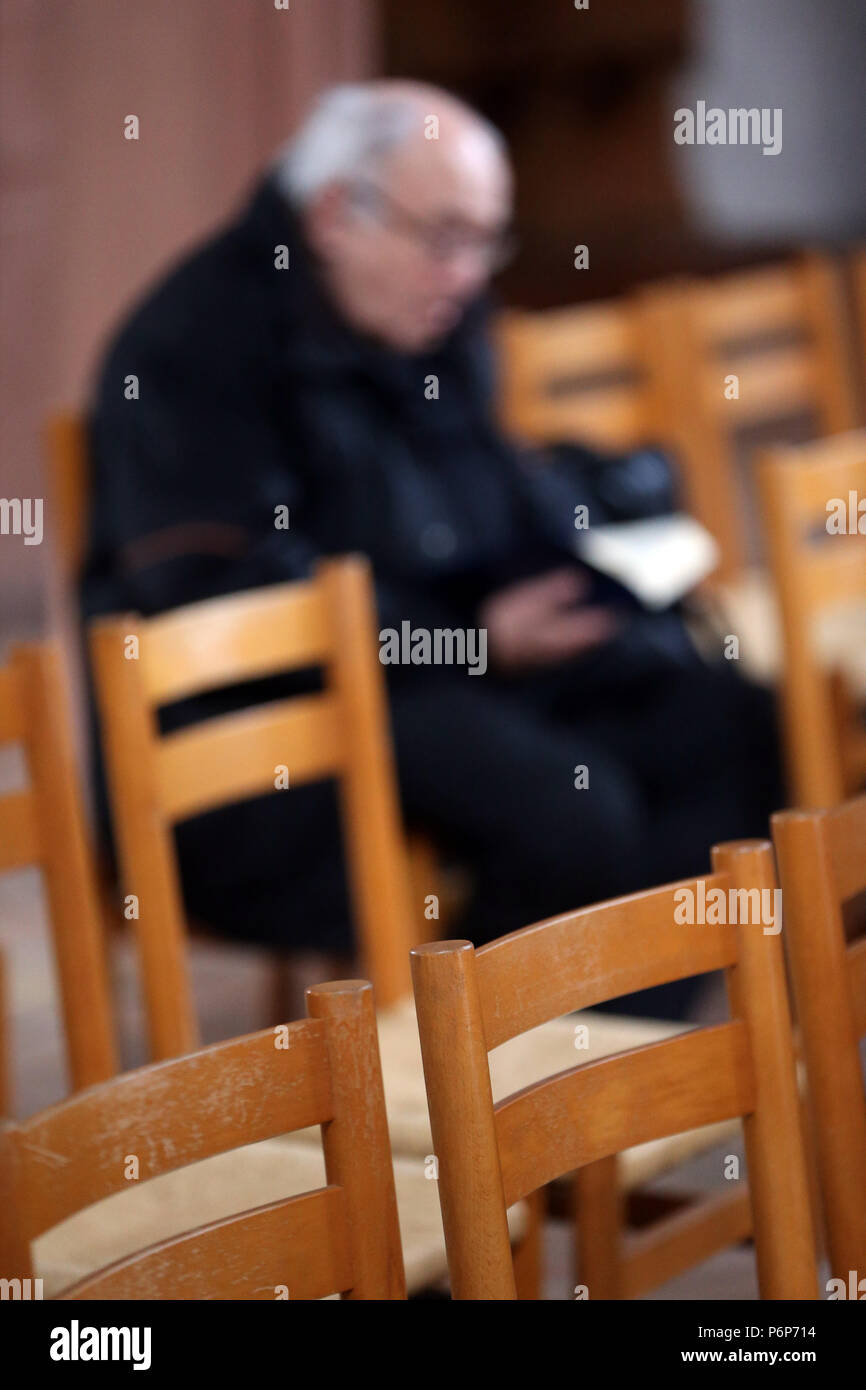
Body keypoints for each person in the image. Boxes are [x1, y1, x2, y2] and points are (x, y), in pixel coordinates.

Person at [82, 81, 783, 1015]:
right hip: (268, 735)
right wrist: (473, 638)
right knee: (573, 810)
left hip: (444, 667)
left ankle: (611, 1071)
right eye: (446, 237)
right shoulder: (190, 346)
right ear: (336, 213)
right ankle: (503, 1099)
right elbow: (232, 600)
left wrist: (577, 555)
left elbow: (480, 489)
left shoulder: (433, 308)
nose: (468, 274)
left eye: (487, 242)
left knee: (727, 719)